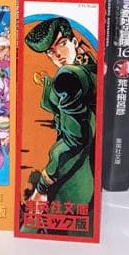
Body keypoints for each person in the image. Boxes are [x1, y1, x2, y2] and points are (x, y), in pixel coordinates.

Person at [22, 16, 97, 234]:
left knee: (35, 226)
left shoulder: (68, 77)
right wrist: (48, 83)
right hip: (84, 165)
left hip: (74, 169)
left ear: (74, 42)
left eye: (62, 44)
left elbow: (74, 139)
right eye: (50, 52)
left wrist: (42, 185)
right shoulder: (86, 65)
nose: (57, 55)